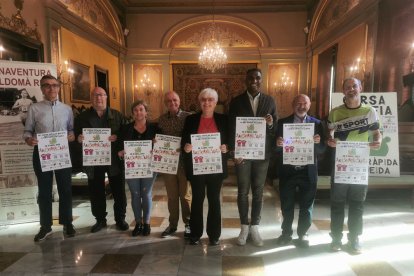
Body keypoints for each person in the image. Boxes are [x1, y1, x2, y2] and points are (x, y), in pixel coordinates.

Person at [327, 77, 381, 254]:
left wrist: (377, 142)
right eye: (348, 87)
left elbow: (376, 133)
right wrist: (330, 141)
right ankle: (336, 237)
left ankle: (354, 238)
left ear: (360, 88)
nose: (351, 89)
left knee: (357, 203)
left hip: (359, 166)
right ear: (343, 91)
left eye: (354, 86)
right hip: (340, 165)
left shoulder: (369, 111)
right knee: (337, 202)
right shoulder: (334, 113)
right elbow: (329, 134)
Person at [228, 68, 277, 247]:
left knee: (258, 191)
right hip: (243, 154)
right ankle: (244, 227)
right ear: (245, 80)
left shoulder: (270, 100)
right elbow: (231, 128)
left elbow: (275, 128)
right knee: (242, 191)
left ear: (261, 80)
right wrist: (233, 152)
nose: (254, 81)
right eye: (251, 78)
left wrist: (271, 124)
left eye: (257, 78)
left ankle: (255, 226)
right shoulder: (236, 101)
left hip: (262, 154)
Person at [23, 74, 76, 242]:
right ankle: (45, 226)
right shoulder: (34, 108)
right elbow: (27, 131)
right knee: (45, 192)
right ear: (42, 88)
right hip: (41, 154)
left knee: (65, 190)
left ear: (59, 87)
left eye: (54, 85)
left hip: (62, 154)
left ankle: (67, 223)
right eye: (47, 85)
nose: (51, 88)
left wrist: (72, 136)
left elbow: (71, 130)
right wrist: (29, 140)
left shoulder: (67, 109)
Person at [75, 87, 129, 233]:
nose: (98, 98)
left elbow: (126, 135)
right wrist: (78, 139)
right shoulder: (82, 117)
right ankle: (100, 219)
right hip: (93, 160)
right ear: (91, 98)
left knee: (118, 191)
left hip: (114, 160)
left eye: (101, 95)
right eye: (95, 95)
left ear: (106, 97)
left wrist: (118, 137)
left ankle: (120, 219)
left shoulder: (117, 115)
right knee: (96, 191)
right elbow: (75, 136)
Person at [275, 94, 325, 248]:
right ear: (292, 104)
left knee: (306, 206)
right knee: (286, 205)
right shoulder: (282, 123)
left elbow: (323, 149)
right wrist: (278, 144)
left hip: (308, 171)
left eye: (305, 103)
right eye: (298, 103)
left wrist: (317, 143)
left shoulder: (317, 124)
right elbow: (274, 149)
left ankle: (303, 233)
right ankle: (286, 233)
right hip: (288, 171)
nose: (301, 106)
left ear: (309, 105)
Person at [181, 88, 228, 246]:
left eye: (210, 100)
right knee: (197, 200)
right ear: (200, 102)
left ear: (215, 103)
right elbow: (184, 141)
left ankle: (214, 235)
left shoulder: (223, 119)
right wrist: (186, 147)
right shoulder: (191, 119)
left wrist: (225, 147)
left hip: (215, 168)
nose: (206, 102)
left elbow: (229, 141)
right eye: (203, 100)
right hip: (197, 168)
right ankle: (195, 233)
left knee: (214, 200)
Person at [118, 100, 159, 237]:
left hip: (149, 166)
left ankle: (146, 223)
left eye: (141, 109)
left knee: (146, 193)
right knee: (135, 194)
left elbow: (162, 146)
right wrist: (120, 152)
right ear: (132, 113)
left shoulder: (155, 128)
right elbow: (119, 147)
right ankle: (138, 223)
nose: (138, 112)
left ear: (146, 112)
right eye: (135, 110)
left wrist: (157, 145)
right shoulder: (125, 128)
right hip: (131, 167)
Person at [157, 91, 192, 238]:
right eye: (169, 101)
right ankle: (172, 225)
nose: (172, 103)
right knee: (171, 197)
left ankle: (189, 224)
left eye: (175, 100)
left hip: (184, 162)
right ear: (166, 103)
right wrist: (155, 142)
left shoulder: (189, 117)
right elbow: (157, 136)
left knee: (185, 196)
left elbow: (193, 136)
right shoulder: (161, 120)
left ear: (179, 101)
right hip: (168, 163)